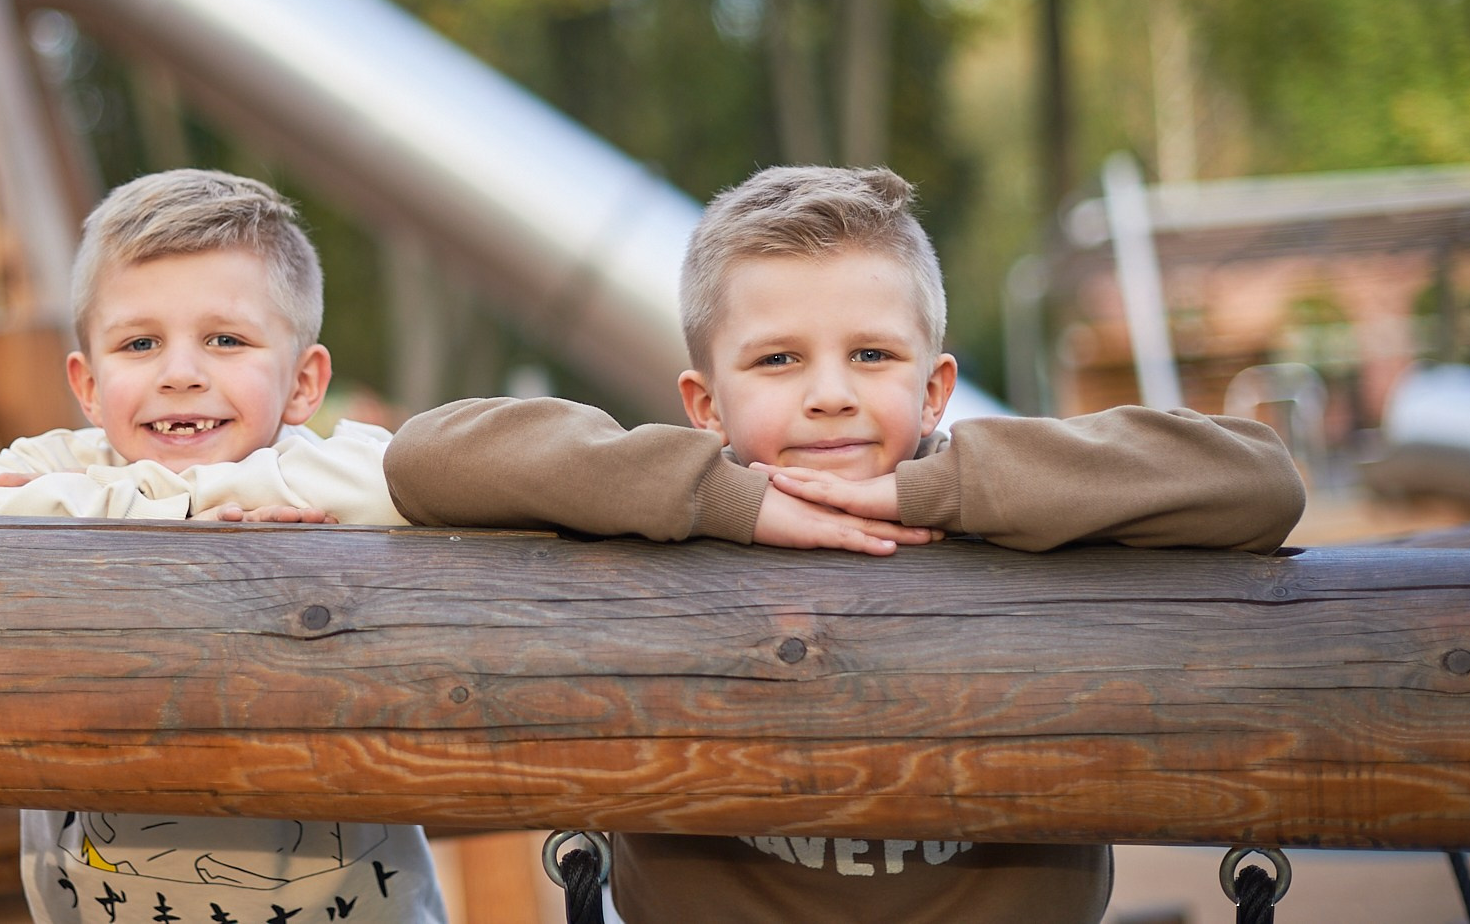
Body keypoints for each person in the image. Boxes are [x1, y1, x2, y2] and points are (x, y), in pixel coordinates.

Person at [383, 164, 1305, 924]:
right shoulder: (672, 504)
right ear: (706, 405)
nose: (830, 393)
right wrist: (723, 498)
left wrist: (934, 491)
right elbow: (428, 456)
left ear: (937, 387)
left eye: (871, 354)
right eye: (779, 358)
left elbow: (1261, 479)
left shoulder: (1022, 501)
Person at [0, 168, 447, 924]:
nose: (181, 373)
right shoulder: (77, 462)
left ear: (305, 382)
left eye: (226, 339)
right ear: (88, 383)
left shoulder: (327, 461)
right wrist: (179, 511)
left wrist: (112, 514)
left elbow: (404, 479)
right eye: (140, 342)